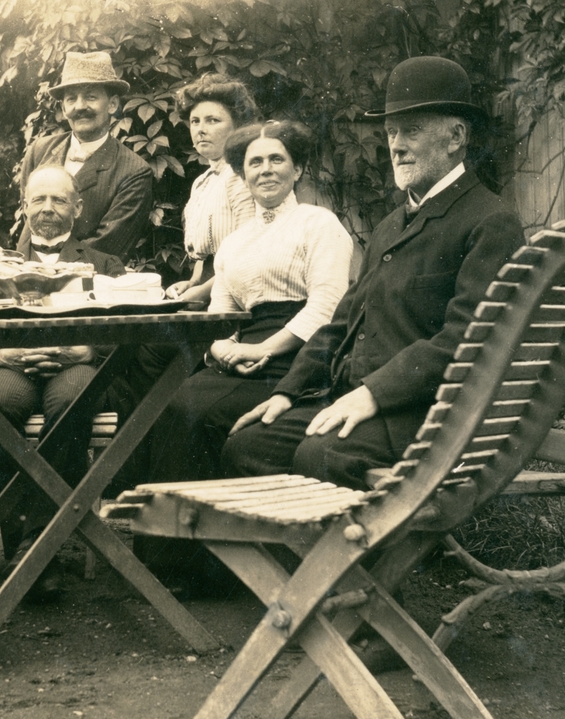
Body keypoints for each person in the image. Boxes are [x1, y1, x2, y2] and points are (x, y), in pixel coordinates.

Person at [221, 56, 526, 491]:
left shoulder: (490, 221)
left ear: (456, 136)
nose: (396, 146)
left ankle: (357, 539)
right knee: (250, 444)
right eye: (391, 132)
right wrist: (287, 392)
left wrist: (373, 393)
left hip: (431, 412)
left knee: (320, 455)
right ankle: (296, 540)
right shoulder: (391, 225)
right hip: (357, 400)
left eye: (411, 130)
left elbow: (469, 340)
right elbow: (342, 322)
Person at [133, 121, 354, 594]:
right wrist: (222, 347)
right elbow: (221, 311)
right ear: (243, 173)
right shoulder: (235, 242)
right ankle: (177, 559)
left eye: (277, 159)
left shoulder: (319, 224)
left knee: (192, 408)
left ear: (298, 169)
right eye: (255, 162)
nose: (265, 170)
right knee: (170, 402)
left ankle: (192, 568)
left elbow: (327, 307)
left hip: (303, 357)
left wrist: (265, 349)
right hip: (243, 351)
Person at [0, 166, 125, 598]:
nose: (48, 208)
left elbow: (128, 332)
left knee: (74, 399)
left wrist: (87, 351)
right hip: (10, 368)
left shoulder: (105, 265)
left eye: (59, 200)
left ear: (78, 207)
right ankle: (29, 544)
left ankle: (35, 545)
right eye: (39, 199)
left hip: (77, 368)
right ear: (24, 206)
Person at [15, 51, 153, 260]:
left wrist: (47, 270)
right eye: (71, 99)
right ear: (63, 108)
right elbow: (30, 222)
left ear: (112, 104)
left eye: (91, 97)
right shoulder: (39, 150)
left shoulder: (134, 171)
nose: (80, 107)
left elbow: (107, 249)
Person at [164, 74, 259, 305]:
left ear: (238, 126)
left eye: (213, 120)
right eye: (195, 121)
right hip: (209, 288)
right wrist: (192, 283)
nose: (201, 130)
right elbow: (205, 255)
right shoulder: (202, 182)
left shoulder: (242, 175)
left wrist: (202, 292)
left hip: (237, 292)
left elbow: (248, 251)